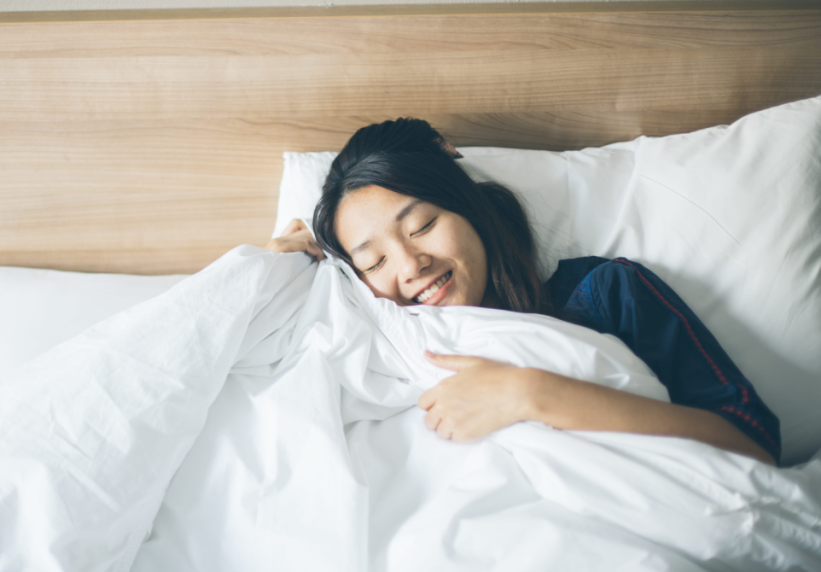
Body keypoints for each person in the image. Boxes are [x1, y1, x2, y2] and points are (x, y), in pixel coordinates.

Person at [267, 118, 780, 466]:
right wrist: (275, 273)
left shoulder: (604, 293)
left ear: (469, 207)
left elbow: (753, 445)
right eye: (374, 261)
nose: (409, 265)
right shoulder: (378, 350)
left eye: (421, 225)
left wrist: (531, 394)